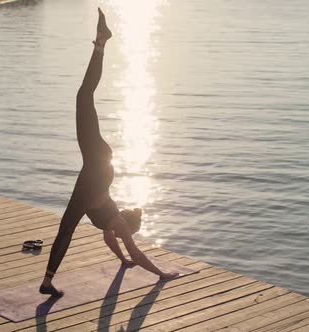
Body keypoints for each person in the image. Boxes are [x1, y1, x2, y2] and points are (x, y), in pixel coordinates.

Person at [40, 8, 178, 297]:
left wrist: (122, 261)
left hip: (95, 171)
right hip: (96, 166)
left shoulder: (111, 225)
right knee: (83, 96)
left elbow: (111, 243)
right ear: (128, 223)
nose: (123, 236)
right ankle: (102, 42)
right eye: (129, 231)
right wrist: (161, 273)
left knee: (66, 227)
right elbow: (135, 251)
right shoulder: (116, 223)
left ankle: (48, 281)